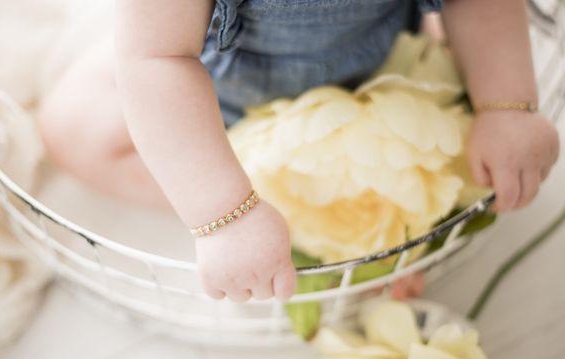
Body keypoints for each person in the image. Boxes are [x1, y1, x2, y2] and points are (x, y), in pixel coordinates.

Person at [37, 0, 560, 303]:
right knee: (70, 124)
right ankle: (273, 211)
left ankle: (325, 226)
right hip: (210, 102)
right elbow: (156, 60)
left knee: (450, 151)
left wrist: (506, 106)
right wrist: (223, 214)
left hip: (374, 87)